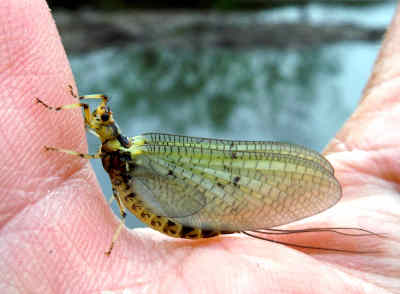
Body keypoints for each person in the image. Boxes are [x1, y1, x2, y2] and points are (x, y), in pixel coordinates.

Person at [1, 0, 397, 293]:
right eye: (93, 117)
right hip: (157, 201)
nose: (93, 119)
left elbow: (107, 174)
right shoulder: (116, 149)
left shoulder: (129, 152)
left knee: (119, 198)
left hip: (179, 221)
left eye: (98, 118)